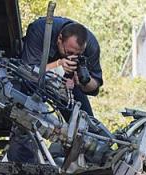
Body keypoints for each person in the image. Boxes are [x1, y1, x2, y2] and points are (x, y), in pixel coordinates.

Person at [8, 17, 103, 163]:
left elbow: (96, 85)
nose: (72, 57)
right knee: (23, 120)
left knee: (88, 125)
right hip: (33, 83)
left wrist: (84, 82)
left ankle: (90, 163)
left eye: (77, 55)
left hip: (67, 88)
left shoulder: (91, 45)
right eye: (69, 51)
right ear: (59, 39)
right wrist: (58, 65)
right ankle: (22, 166)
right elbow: (26, 71)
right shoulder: (41, 30)